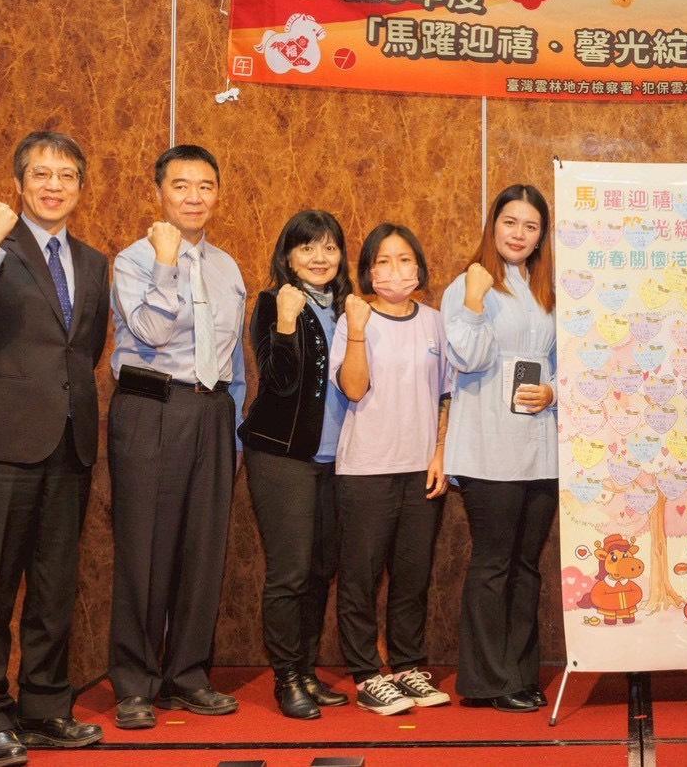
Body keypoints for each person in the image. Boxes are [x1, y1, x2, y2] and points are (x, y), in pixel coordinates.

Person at [0, 131, 109, 767]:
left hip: (70, 443)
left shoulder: (93, 262)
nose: (53, 186)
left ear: (81, 187)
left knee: (53, 587)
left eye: (66, 175)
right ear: (19, 183)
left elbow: (84, 349)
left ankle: (43, 708)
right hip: (2, 445)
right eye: (41, 174)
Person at [107, 144, 247, 729]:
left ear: (218, 194)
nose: (194, 197)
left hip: (212, 412)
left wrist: (234, 433)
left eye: (205, 186)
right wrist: (167, 263)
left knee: (202, 551)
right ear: (159, 192)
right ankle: (134, 683)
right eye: (181, 185)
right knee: (144, 549)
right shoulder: (134, 260)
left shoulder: (228, 267)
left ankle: (187, 675)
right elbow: (150, 330)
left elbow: (234, 358)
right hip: (151, 408)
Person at [442, 185, 557, 713]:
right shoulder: (470, 284)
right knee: (493, 564)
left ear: (541, 235)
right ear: (493, 225)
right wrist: (473, 299)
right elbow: (467, 357)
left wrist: (554, 391)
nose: (519, 234)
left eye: (530, 226)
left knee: (526, 565)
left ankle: (521, 674)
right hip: (489, 449)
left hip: (542, 447)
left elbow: (570, 359)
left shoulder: (549, 288)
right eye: (510, 222)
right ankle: (489, 680)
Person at [333, 224, 453, 716]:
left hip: (421, 468)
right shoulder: (353, 318)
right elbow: (353, 388)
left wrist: (441, 452)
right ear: (368, 270)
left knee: (412, 575)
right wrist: (358, 329)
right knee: (360, 577)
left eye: (404, 259)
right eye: (382, 261)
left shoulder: (436, 322)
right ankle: (366, 674)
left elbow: (447, 393)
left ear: (419, 267)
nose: (394, 270)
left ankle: (407, 666)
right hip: (366, 466)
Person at [240, 210, 355, 719]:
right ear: (288, 257)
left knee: (320, 569)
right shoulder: (273, 302)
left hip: (337, 459)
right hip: (282, 455)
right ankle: (286, 678)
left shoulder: (351, 309)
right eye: (307, 247)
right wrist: (286, 322)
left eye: (329, 247)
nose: (319, 257)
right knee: (289, 572)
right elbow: (279, 381)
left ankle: (307, 670)